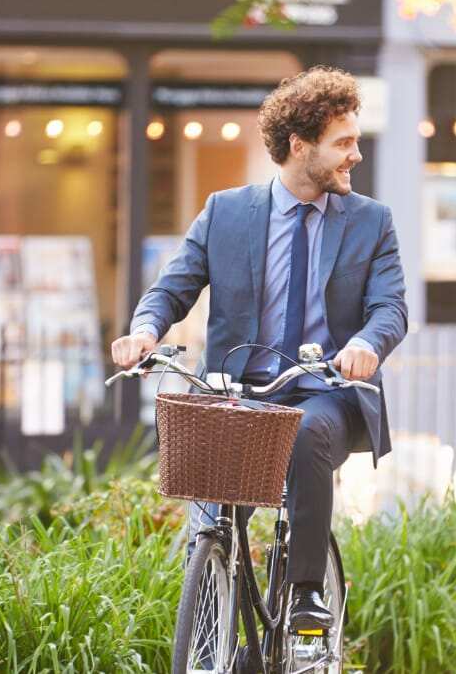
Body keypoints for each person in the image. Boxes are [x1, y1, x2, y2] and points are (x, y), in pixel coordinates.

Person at [112, 66, 407, 632]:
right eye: (343, 143)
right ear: (300, 146)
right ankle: (213, 587)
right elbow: (173, 287)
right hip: (236, 388)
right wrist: (146, 330)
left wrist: (368, 343)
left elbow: (390, 307)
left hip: (327, 392)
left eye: (356, 141)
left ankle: (304, 593)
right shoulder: (226, 212)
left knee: (304, 430)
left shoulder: (372, 222)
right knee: (211, 519)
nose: (356, 156)